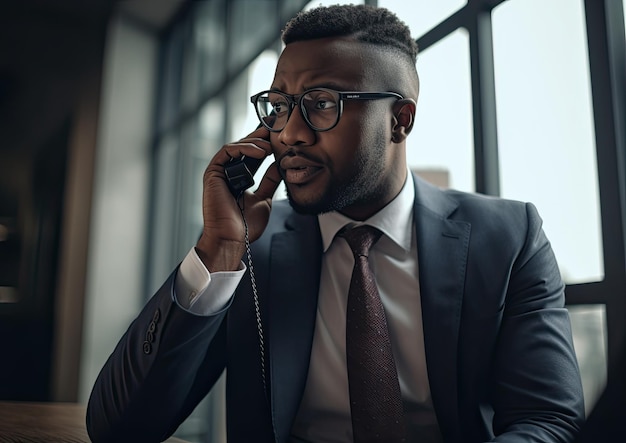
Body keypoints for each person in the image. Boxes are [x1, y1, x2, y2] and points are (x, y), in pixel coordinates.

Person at [86, 4, 585, 443]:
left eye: (322, 104)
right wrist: (216, 250)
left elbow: (547, 421)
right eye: (278, 107)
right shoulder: (247, 251)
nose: (289, 134)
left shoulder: (508, 237)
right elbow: (119, 429)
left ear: (400, 120)